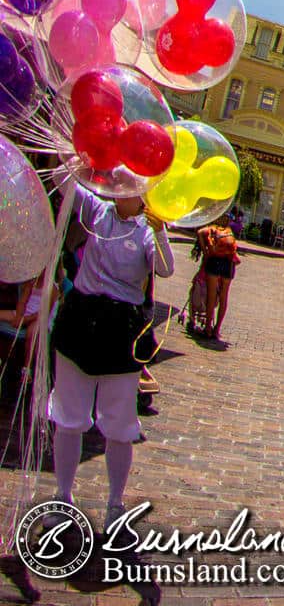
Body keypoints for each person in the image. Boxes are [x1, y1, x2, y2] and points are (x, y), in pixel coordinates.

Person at [46, 181, 173, 525]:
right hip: (81, 319)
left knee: (118, 423)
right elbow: (67, 185)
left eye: (129, 186)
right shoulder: (98, 210)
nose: (119, 190)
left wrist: (161, 232)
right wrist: (74, 155)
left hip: (120, 329)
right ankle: (62, 495)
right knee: (69, 415)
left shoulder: (147, 229)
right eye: (118, 183)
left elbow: (164, 268)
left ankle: (115, 503)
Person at [196, 219, 241, 342]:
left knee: (211, 296)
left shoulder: (211, 229)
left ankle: (208, 328)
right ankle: (217, 329)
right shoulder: (228, 231)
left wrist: (205, 252)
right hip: (229, 263)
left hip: (214, 261)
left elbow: (200, 232)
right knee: (223, 296)